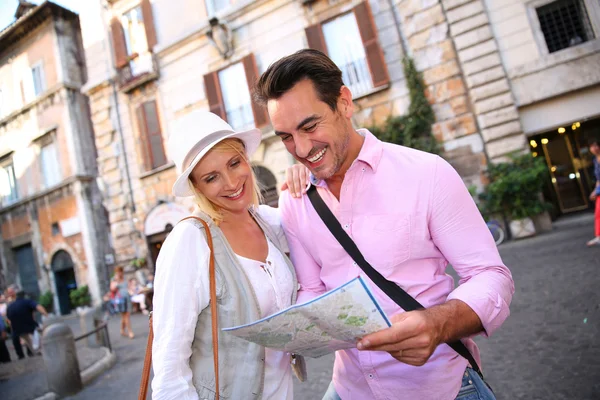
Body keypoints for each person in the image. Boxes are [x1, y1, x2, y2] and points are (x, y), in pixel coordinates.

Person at [255, 49, 515, 400]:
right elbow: (313, 291)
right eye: (285, 136)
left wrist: (438, 325)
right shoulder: (295, 200)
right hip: (351, 389)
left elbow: (490, 275)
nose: (299, 148)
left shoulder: (427, 173)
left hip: (442, 387)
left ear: (344, 102)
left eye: (309, 126)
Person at [151, 111, 302, 400]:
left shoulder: (266, 221)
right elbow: (170, 371)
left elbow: (325, 221)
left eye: (234, 163)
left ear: (246, 158)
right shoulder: (189, 241)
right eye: (211, 178)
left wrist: (304, 176)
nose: (232, 182)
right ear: (197, 188)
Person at [6, 289, 47, 359]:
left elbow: (9, 320)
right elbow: (38, 307)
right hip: (30, 328)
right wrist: (46, 315)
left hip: (17, 330)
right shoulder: (27, 302)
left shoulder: (10, 307)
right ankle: (38, 353)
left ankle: (23, 355)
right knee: (36, 340)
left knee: (28, 341)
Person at [110, 266, 134, 338]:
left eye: (120, 271)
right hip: (120, 300)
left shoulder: (125, 279)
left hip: (127, 298)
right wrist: (116, 281)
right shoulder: (114, 279)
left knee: (125, 316)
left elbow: (129, 287)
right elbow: (112, 289)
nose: (119, 273)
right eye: (118, 271)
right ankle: (130, 331)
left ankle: (122, 330)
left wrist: (131, 290)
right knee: (125, 315)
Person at [586, 137, 600, 247]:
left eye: (595, 145)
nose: (594, 148)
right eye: (591, 146)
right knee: (598, 213)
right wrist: (595, 191)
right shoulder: (595, 160)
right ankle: (599, 236)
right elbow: (598, 179)